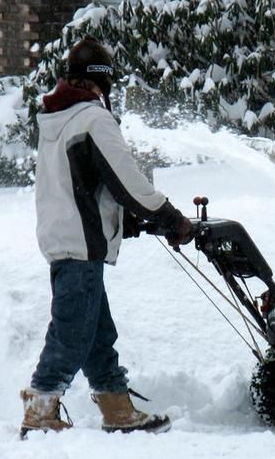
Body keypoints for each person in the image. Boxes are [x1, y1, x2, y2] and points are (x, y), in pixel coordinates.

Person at [20, 38, 193, 437]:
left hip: (65, 237)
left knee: (96, 334)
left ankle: (117, 409)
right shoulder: (93, 119)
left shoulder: (57, 119)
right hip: (79, 244)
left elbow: (79, 183)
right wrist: (170, 218)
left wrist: (122, 222)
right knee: (73, 332)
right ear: (103, 82)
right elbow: (127, 182)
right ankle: (40, 409)